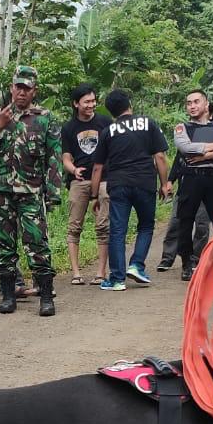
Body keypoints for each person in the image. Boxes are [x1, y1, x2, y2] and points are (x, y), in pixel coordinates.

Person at [0, 65, 61, 316]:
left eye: (26, 88)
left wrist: (53, 193)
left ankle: (46, 296)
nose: (21, 92)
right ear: (11, 88)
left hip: (31, 191)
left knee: (37, 242)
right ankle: (7, 294)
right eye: (18, 87)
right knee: (3, 244)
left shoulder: (45, 118)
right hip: (0, 192)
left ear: (34, 91)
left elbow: (53, 157)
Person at [90, 89, 171, 290]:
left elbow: (98, 167)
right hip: (145, 182)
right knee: (145, 225)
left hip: (118, 185)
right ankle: (136, 265)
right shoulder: (148, 123)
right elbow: (160, 157)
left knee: (117, 230)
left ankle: (117, 279)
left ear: (111, 112)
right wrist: (164, 184)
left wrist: (94, 196)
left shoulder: (108, 131)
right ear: (129, 105)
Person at [168, 88, 213, 281]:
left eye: (196, 102)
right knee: (185, 221)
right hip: (190, 178)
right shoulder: (182, 127)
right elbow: (185, 148)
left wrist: (206, 155)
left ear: (206, 104)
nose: (192, 106)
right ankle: (186, 262)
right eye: (189, 103)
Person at [60, 82, 111, 285]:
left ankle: (101, 272)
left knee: (103, 226)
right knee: (74, 227)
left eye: (93, 100)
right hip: (79, 182)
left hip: (105, 180)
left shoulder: (105, 122)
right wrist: (73, 169)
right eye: (86, 101)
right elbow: (65, 157)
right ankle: (75, 272)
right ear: (76, 104)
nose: (91, 105)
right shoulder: (68, 128)